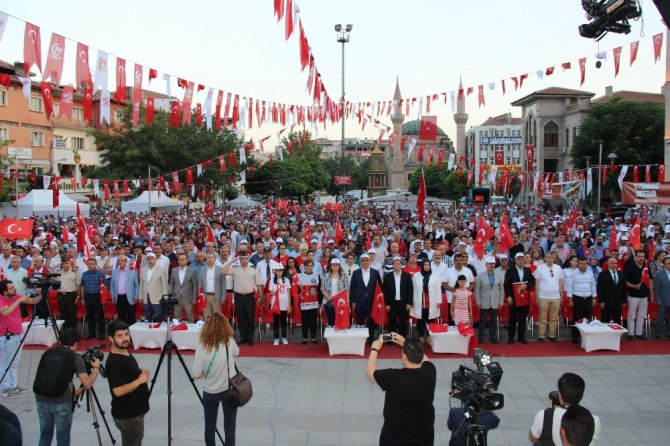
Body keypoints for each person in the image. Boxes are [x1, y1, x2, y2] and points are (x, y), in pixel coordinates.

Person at [34, 328, 101, 446]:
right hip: (61, 401)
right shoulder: (75, 358)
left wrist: (74, 391)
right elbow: (87, 384)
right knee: (63, 437)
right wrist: (95, 368)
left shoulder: (48, 353)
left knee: (45, 434)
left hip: (41, 397)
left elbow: (53, 378)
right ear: (75, 344)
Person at [366, 334, 436, 446]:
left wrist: (375, 348)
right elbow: (425, 359)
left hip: (396, 438)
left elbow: (370, 372)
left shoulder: (393, 377)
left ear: (404, 357)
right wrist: (406, 343)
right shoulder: (430, 371)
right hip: (424, 436)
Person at [192, 312, 240, 446]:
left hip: (210, 392)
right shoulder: (228, 341)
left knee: (209, 427)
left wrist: (205, 372)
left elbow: (196, 373)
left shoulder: (202, 345)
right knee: (230, 428)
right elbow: (237, 352)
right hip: (229, 390)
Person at [105, 319, 150, 446]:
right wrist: (140, 380)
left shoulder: (123, 350)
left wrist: (139, 372)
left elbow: (127, 375)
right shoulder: (114, 363)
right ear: (111, 339)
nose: (125, 339)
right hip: (128, 415)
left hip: (135, 411)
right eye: (119, 336)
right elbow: (118, 391)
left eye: (126, 334)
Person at [529, 372, 601, 445]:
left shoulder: (544, 416)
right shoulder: (595, 421)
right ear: (581, 394)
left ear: (559, 394)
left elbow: (533, 438)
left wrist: (550, 412)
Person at [0, 279, 42, 398]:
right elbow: (5, 312)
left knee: (15, 362)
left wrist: (41, 293)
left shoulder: (15, 297)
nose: (14, 289)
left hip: (18, 333)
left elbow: (34, 301)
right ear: (4, 292)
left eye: (14, 287)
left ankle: (13, 385)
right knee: (6, 363)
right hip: (7, 335)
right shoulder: (1, 300)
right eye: (11, 288)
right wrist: (18, 300)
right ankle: (5, 388)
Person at [222, 251, 261, 346]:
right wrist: (232, 261)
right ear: (239, 260)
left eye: (245, 258)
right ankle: (243, 338)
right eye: (242, 258)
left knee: (250, 318)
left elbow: (259, 285)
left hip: (250, 297)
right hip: (238, 297)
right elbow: (223, 271)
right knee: (240, 318)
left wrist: (259, 296)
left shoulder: (253, 270)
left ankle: (250, 338)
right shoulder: (235, 269)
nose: (244, 260)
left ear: (248, 259)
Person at [349, 253, 383, 344]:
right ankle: (361, 339)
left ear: (369, 261)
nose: (365, 262)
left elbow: (380, 286)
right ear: (360, 262)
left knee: (370, 320)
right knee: (359, 320)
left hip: (372, 301)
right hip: (359, 301)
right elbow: (352, 288)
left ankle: (371, 337)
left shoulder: (375, 272)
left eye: (366, 260)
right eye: (363, 260)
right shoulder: (356, 273)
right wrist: (353, 301)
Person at [505, 252, 536, 344]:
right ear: (515, 260)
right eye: (519, 259)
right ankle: (511, 337)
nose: (521, 260)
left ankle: (521, 337)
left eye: (522, 259)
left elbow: (532, 281)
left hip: (524, 298)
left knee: (523, 318)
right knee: (512, 318)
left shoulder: (528, 270)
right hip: (513, 298)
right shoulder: (510, 270)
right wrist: (508, 296)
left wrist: (526, 285)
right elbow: (506, 285)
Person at [533, 253, 564, 343]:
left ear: (555, 259)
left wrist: (561, 295)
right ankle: (541, 336)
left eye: (552, 257)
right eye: (549, 257)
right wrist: (537, 297)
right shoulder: (540, 268)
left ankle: (552, 335)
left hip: (556, 297)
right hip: (543, 297)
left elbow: (561, 283)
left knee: (554, 318)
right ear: (545, 258)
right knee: (542, 318)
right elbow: (537, 284)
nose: (550, 259)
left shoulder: (558, 268)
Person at [565, 257, 597, 343]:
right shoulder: (573, 274)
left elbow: (593, 286)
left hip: (588, 299)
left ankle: (586, 337)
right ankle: (575, 337)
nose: (583, 265)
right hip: (577, 299)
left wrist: (594, 299)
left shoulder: (590, 273)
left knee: (587, 318)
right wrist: (570, 299)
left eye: (585, 264)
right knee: (576, 318)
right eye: (581, 263)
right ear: (578, 264)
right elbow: (569, 287)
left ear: (587, 264)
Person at [474, 256, 504, 343]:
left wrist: (501, 301)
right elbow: (477, 290)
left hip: (495, 301)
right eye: (490, 264)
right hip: (484, 302)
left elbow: (501, 289)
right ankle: (481, 338)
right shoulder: (480, 275)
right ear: (486, 265)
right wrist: (478, 301)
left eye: (493, 264)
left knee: (494, 321)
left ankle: (493, 338)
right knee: (482, 321)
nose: (492, 265)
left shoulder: (499, 275)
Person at [410, 260, 441, 344]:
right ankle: (421, 336)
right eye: (425, 265)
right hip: (419, 301)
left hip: (432, 301)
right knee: (421, 320)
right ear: (422, 266)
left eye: (428, 265)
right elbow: (413, 289)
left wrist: (439, 301)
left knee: (430, 320)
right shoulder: (416, 276)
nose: (427, 266)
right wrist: (412, 300)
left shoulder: (435, 276)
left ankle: (429, 336)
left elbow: (438, 289)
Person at [382, 256, 413, 338]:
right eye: (395, 264)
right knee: (391, 321)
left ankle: (402, 338)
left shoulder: (407, 276)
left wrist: (409, 303)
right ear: (392, 265)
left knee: (402, 322)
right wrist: (386, 304)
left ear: (401, 265)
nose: (396, 265)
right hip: (392, 303)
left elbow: (410, 291)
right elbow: (385, 292)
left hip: (403, 303)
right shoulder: (387, 277)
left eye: (398, 263)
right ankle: (391, 339)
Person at [624, 251, 650, 340]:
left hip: (644, 295)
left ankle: (639, 333)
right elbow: (624, 281)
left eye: (643, 256)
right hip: (633, 295)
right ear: (636, 257)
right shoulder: (630, 267)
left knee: (642, 315)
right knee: (631, 315)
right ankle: (630, 334)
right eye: (639, 256)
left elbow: (649, 279)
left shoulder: (646, 267)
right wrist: (633, 286)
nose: (641, 258)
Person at [297, 259, 323, 344]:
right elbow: (296, 291)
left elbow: (319, 289)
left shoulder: (316, 275)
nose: (309, 267)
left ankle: (313, 338)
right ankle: (304, 338)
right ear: (304, 267)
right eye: (308, 266)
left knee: (313, 321)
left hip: (314, 302)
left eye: (311, 266)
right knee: (304, 321)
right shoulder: (299, 276)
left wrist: (319, 302)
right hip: (304, 302)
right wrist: (299, 288)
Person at [139, 252, 169, 323]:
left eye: (152, 259)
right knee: (147, 315)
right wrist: (140, 296)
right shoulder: (143, 270)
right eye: (148, 259)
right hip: (146, 297)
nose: (150, 261)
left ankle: (158, 332)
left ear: (155, 260)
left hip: (158, 298)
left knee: (158, 316)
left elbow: (165, 285)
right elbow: (141, 284)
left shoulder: (161, 270)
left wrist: (165, 298)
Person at [596, 256, 627, 323]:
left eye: (615, 263)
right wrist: (601, 301)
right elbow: (599, 289)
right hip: (606, 302)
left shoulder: (621, 274)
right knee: (605, 321)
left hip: (618, 302)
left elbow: (624, 288)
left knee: (617, 321)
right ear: (608, 264)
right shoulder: (602, 274)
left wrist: (624, 300)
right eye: (612, 263)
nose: (614, 265)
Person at [110, 255, 140, 326]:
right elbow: (112, 286)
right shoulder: (114, 272)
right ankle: (123, 333)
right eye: (119, 260)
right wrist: (113, 297)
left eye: (122, 260)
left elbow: (136, 285)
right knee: (121, 317)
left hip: (129, 297)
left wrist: (136, 296)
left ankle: (132, 335)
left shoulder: (133, 271)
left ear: (126, 261)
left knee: (131, 317)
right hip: (119, 298)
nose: (120, 262)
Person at [169, 253, 198, 322]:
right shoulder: (174, 270)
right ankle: (176, 331)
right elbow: (172, 284)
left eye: (183, 259)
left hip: (188, 298)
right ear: (178, 260)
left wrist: (194, 298)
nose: (181, 261)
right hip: (176, 298)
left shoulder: (192, 271)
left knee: (190, 317)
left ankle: (190, 331)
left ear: (187, 260)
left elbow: (195, 286)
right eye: (180, 259)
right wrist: (171, 296)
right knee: (176, 317)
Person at [268, 262, 291, 345]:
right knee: (276, 321)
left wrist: (289, 305)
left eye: (281, 270)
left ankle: (284, 337)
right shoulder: (272, 280)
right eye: (277, 271)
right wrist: (273, 292)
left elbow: (288, 293)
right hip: (275, 305)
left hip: (284, 304)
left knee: (284, 321)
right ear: (275, 271)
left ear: (283, 271)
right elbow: (270, 292)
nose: (279, 272)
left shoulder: (286, 280)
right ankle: (276, 338)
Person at [321, 258, 349, 327]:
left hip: (340, 301)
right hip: (329, 300)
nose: (335, 267)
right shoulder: (326, 275)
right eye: (334, 265)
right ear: (331, 266)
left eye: (337, 265)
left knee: (340, 319)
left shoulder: (343, 276)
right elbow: (322, 288)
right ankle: (331, 330)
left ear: (339, 266)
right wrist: (328, 296)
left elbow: (347, 289)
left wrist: (347, 300)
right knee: (331, 319)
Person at [199, 252, 224, 319]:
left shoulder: (220, 269)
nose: (210, 259)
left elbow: (223, 284)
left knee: (217, 317)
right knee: (206, 317)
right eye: (208, 257)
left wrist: (223, 297)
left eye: (211, 257)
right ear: (206, 259)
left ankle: (216, 330)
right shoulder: (202, 269)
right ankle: (207, 329)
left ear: (215, 259)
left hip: (216, 296)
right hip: (206, 296)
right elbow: (200, 283)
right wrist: (200, 296)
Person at [57, 260, 80, 330]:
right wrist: (56, 265)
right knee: (63, 314)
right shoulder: (58, 272)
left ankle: (73, 332)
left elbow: (78, 286)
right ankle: (65, 332)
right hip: (60, 295)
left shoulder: (75, 272)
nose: (64, 265)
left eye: (66, 263)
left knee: (72, 314)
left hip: (71, 295)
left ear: (70, 263)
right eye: (63, 263)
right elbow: (50, 274)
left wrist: (78, 296)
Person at [652, 255, 670, 339]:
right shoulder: (659, 274)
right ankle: (657, 333)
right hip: (662, 300)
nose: (669, 265)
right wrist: (658, 299)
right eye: (668, 263)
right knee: (660, 318)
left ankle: (668, 332)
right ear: (664, 265)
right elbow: (656, 288)